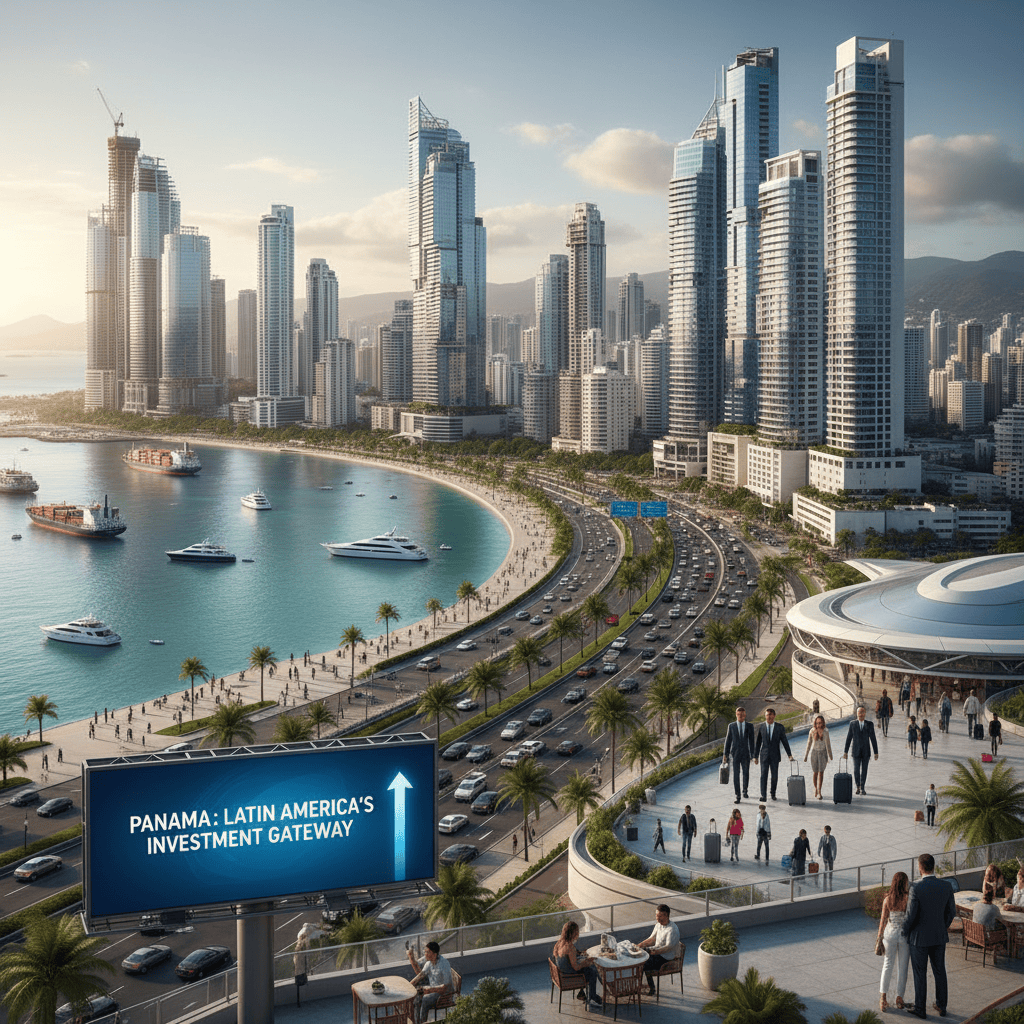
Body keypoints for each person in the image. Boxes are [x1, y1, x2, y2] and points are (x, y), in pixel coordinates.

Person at [902, 852, 956, 1019]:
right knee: (940, 971)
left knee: (920, 973)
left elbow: (910, 916)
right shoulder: (946, 886)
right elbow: (951, 912)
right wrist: (942, 926)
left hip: (919, 939)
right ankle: (941, 1005)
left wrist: (904, 932)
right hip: (939, 937)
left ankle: (920, 1009)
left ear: (920, 868)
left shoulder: (915, 888)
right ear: (934, 867)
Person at [878, 871, 912, 1012]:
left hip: (890, 935)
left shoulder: (888, 899)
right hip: (904, 936)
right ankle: (899, 998)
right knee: (902, 967)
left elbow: (883, 920)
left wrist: (879, 937)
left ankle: (883, 998)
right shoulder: (908, 899)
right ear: (904, 883)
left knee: (887, 965)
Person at [551, 921, 601, 1007]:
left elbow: (571, 958)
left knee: (588, 966)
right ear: (573, 933)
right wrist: (586, 962)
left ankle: (582, 993)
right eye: (577, 931)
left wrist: (581, 955)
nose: (578, 933)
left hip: (563, 972)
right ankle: (592, 996)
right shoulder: (570, 947)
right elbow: (576, 967)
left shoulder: (560, 943)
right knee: (592, 970)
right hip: (569, 976)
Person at [637, 904, 680, 998]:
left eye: (659, 916)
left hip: (666, 957)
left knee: (643, 963)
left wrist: (653, 951)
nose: (657, 918)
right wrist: (639, 945)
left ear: (666, 915)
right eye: (656, 915)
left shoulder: (672, 929)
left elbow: (668, 948)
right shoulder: (658, 925)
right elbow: (652, 939)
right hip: (656, 953)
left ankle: (650, 988)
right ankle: (639, 986)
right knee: (639, 958)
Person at [406, 940, 453, 1023]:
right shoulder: (429, 963)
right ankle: (417, 1021)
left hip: (443, 994)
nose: (425, 954)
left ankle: (422, 1022)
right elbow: (420, 976)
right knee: (416, 998)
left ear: (434, 954)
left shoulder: (444, 964)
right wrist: (408, 986)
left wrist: (430, 990)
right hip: (433, 989)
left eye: (428, 952)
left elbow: (446, 987)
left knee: (425, 1000)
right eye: (425, 952)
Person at [753, 707, 794, 802]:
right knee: (763, 775)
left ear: (774, 716)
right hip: (764, 756)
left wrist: (789, 755)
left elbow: (785, 741)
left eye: (771, 716)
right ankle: (763, 795)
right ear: (765, 716)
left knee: (774, 776)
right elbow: (758, 742)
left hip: (775, 756)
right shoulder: (762, 727)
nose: (769, 717)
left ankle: (773, 793)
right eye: (767, 715)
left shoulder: (780, 727)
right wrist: (755, 756)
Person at [844, 704, 879, 794]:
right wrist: (845, 751)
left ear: (865, 713)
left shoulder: (869, 724)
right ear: (856, 713)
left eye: (862, 712)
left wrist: (876, 752)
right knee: (856, 769)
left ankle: (863, 787)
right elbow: (849, 738)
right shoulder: (852, 724)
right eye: (859, 712)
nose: (861, 714)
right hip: (855, 752)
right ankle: (858, 786)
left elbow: (873, 738)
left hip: (866, 752)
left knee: (864, 770)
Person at [723, 705, 755, 802]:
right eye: (738, 714)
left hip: (746, 754)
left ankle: (745, 791)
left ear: (745, 715)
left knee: (746, 773)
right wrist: (725, 754)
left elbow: (752, 742)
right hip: (735, 754)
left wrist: (753, 755)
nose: (740, 716)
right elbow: (728, 741)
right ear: (736, 715)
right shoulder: (731, 726)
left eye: (742, 714)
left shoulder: (750, 726)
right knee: (736, 775)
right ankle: (738, 795)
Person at [803, 714, 833, 800]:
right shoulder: (812, 731)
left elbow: (828, 744)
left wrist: (830, 755)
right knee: (815, 772)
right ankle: (816, 788)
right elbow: (808, 744)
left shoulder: (826, 731)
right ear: (815, 723)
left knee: (821, 772)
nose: (819, 725)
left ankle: (819, 791)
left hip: (823, 753)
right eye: (817, 723)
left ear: (823, 723)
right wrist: (806, 756)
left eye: (820, 723)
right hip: (814, 753)